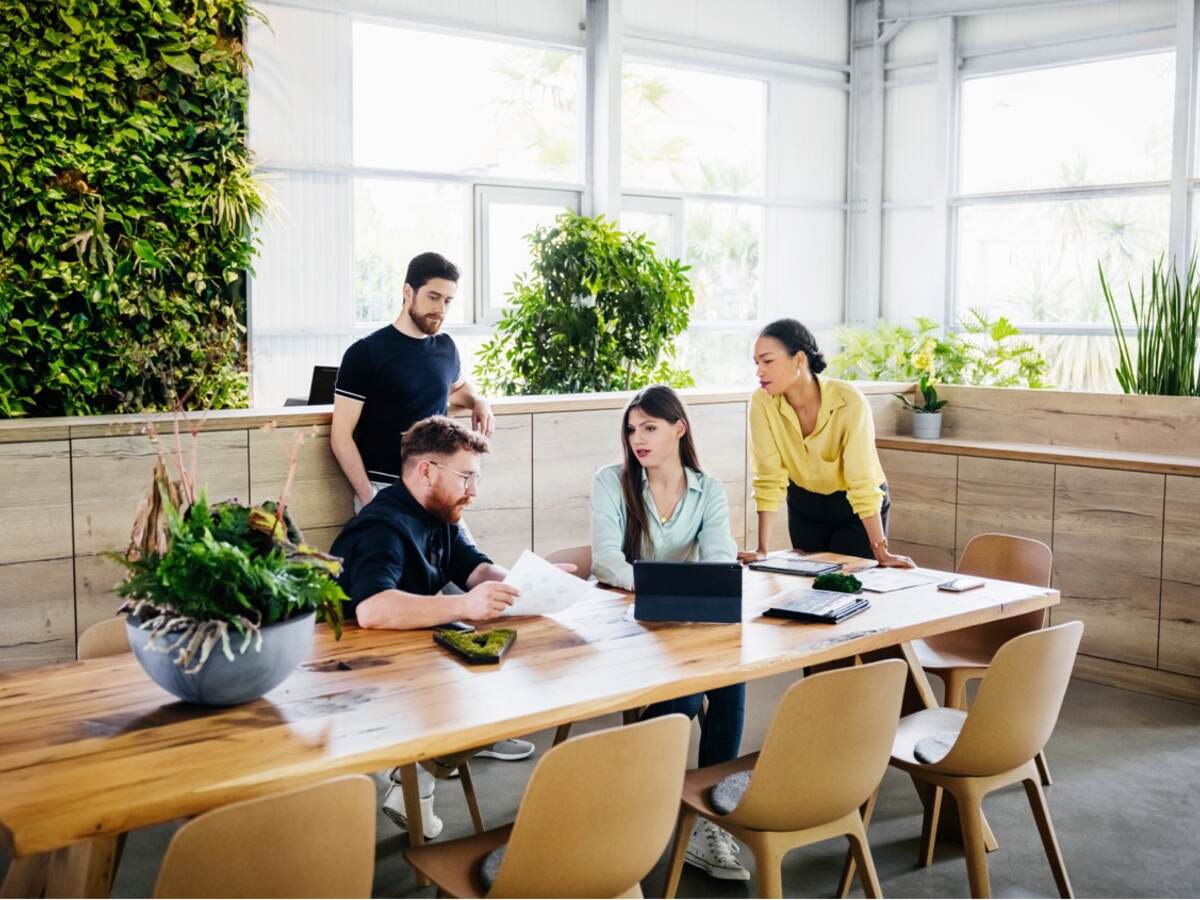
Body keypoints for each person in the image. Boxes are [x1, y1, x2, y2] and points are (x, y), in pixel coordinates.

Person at [330, 416, 533, 836]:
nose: (473, 491)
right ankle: (412, 774)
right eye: (466, 478)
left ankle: (416, 775)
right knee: (479, 672)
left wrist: (530, 582)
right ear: (426, 471)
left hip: (409, 653)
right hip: (354, 666)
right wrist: (465, 605)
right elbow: (371, 610)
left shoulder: (442, 515)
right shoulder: (381, 526)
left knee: (502, 670)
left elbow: (475, 569)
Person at [589, 385, 750, 882]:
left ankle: (707, 815)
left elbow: (721, 558)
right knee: (684, 698)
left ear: (679, 428)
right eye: (632, 429)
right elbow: (605, 559)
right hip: (624, 620)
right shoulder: (611, 482)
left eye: (650, 427)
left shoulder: (709, 489)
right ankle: (645, 801)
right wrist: (658, 581)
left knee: (731, 677)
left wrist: (677, 588)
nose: (638, 438)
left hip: (683, 618)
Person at [331, 251, 495, 514]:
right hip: (386, 490)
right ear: (408, 291)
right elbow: (340, 436)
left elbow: (456, 387)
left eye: (447, 301)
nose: (440, 309)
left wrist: (478, 401)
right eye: (433, 297)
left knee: (465, 555)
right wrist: (368, 497)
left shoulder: (446, 348)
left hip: (440, 487)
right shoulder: (365, 352)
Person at [744, 318, 914, 568]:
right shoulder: (762, 402)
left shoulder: (849, 400)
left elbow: (862, 481)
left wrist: (882, 552)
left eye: (768, 361)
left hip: (854, 509)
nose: (759, 371)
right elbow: (769, 477)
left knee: (851, 586)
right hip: (805, 503)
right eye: (756, 363)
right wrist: (762, 550)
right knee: (807, 586)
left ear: (799, 360)